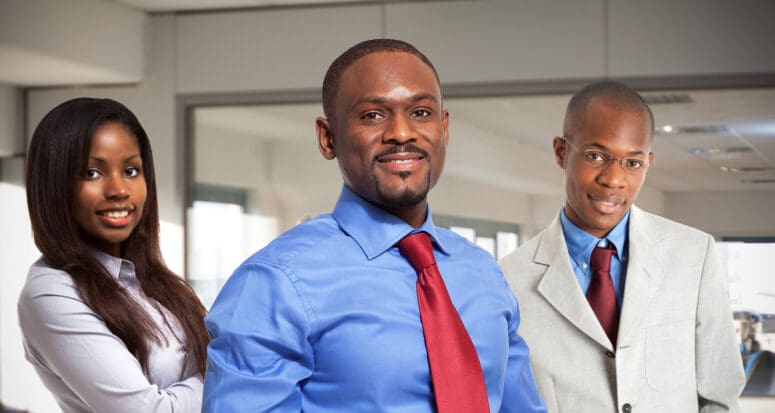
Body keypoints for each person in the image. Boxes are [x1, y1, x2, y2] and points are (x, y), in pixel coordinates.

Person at [203, 39, 546, 412]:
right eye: (372, 115)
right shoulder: (273, 285)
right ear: (327, 136)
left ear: (444, 129)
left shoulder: (483, 274)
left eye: (420, 112)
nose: (401, 132)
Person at [499, 81, 746, 412]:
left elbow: (720, 397)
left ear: (648, 163)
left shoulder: (694, 255)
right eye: (596, 156)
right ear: (561, 152)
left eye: (632, 162)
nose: (613, 179)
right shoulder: (509, 279)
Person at [19, 97, 209, 412]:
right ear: (54, 185)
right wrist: (231, 370)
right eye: (92, 173)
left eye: (131, 170)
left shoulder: (150, 281)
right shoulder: (50, 292)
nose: (119, 189)